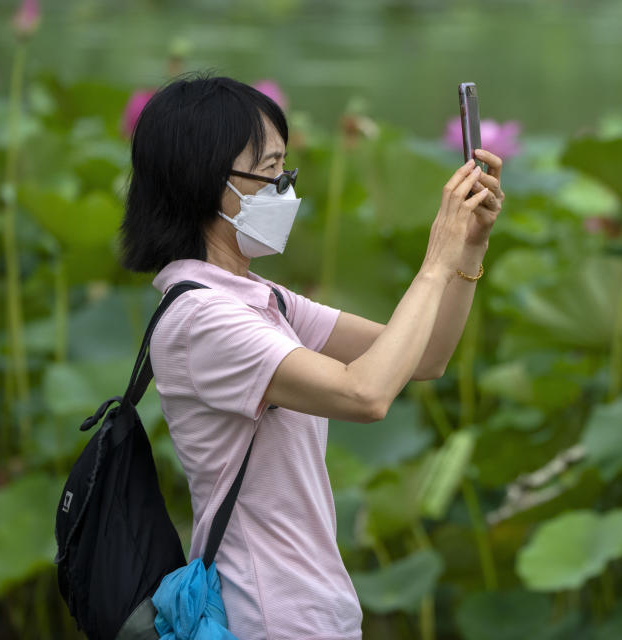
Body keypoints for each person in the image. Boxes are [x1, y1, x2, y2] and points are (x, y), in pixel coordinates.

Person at [119, 74, 504, 640]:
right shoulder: (203, 320)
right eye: (271, 171)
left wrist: (469, 245)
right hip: (270, 617)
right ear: (209, 183)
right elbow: (365, 392)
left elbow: (427, 358)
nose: (286, 187)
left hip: (313, 610)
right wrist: (433, 262)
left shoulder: (260, 299)